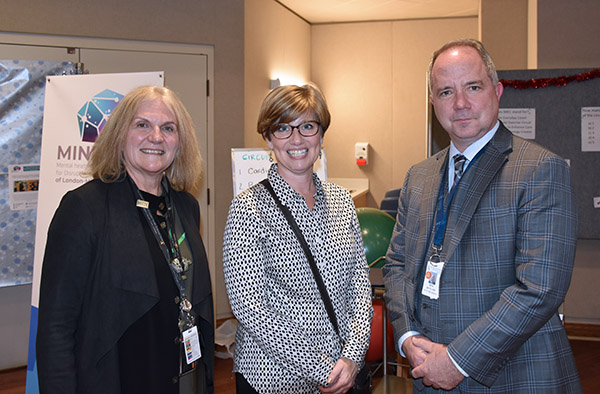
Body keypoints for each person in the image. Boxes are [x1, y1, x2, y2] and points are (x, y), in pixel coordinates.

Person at [383, 38, 582, 393]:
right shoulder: (419, 176)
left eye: (472, 87)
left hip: (512, 375)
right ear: (432, 101)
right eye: (445, 92)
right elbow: (396, 264)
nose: (459, 103)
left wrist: (458, 359)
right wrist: (408, 337)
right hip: (426, 368)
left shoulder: (539, 169)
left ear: (497, 90)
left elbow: (539, 289)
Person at [36, 85, 214, 394]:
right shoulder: (84, 208)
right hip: (118, 378)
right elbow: (56, 326)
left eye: (168, 128)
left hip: (183, 379)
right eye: (142, 124)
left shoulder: (186, 206)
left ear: (180, 142)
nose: (156, 137)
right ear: (119, 135)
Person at [222, 83, 373, 394]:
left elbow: (359, 285)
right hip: (273, 379)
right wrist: (322, 369)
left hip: (343, 370)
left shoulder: (342, 201)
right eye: (282, 128)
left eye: (307, 126)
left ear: (321, 134)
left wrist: (353, 357)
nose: (296, 139)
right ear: (267, 137)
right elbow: (251, 308)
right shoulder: (248, 208)